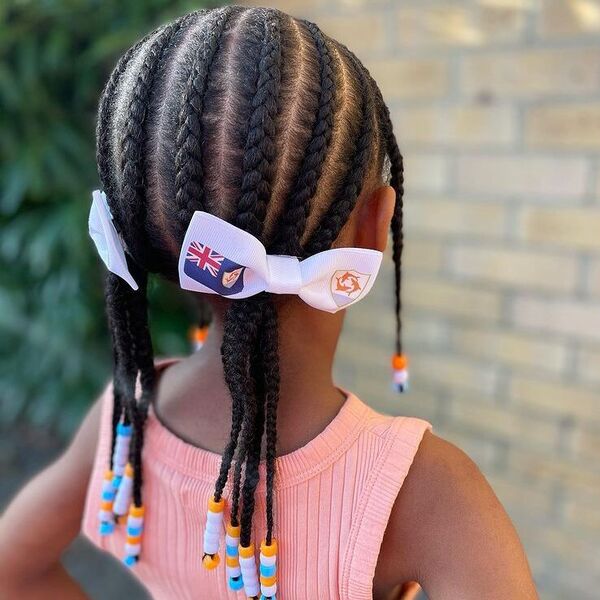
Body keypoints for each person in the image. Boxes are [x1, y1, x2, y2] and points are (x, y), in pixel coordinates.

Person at [0, 6, 539, 599]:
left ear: (154, 232)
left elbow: (15, 569)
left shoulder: (125, 422)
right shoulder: (430, 495)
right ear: (375, 225)